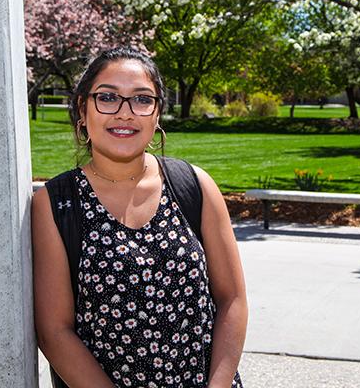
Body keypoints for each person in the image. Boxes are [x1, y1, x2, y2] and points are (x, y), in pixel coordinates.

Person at [32, 47, 248, 388]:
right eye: (107, 97)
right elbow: (55, 331)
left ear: (157, 113)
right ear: (82, 111)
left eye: (141, 99)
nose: (125, 113)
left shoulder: (194, 185)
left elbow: (231, 300)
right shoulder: (57, 203)